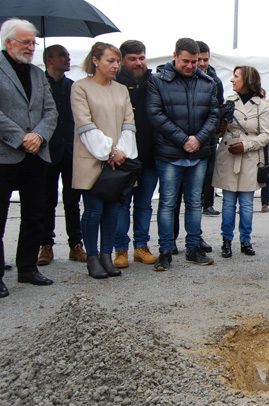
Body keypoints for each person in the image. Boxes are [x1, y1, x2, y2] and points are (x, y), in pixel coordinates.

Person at [147, 37, 219, 271]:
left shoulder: (208, 82)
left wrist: (198, 139)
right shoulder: (157, 81)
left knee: (195, 203)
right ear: (175, 56)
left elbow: (214, 115)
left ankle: (193, 247)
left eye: (195, 62)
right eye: (186, 61)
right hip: (169, 155)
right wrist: (183, 139)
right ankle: (165, 250)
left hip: (198, 154)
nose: (190, 66)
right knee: (167, 204)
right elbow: (156, 114)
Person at [0, 19, 58, 298]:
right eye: (26, 42)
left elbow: (51, 111)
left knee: (35, 213)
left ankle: (27, 267)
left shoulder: (37, 73)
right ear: (9, 42)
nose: (31, 47)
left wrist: (38, 136)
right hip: (5, 154)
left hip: (36, 154)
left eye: (33, 43)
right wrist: (20, 137)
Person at [71, 42, 138, 279]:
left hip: (118, 161)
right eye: (111, 60)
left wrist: (120, 152)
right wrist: (109, 151)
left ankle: (107, 255)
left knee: (113, 210)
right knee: (93, 210)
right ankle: (92, 257)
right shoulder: (80, 88)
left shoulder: (121, 89)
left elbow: (129, 123)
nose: (116, 65)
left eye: (118, 61)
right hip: (92, 159)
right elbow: (84, 123)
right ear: (96, 60)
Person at [212, 66, 269, 258]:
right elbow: (219, 132)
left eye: (236, 76)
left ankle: (246, 241)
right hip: (228, 155)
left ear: (247, 80)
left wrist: (245, 146)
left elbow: (267, 135)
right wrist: (219, 125)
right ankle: (226, 241)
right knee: (228, 202)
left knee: (246, 203)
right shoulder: (229, 102)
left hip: (250, 157)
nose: (232, 80)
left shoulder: (263, 106)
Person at [38, 44, 87, 266]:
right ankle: (45, 245)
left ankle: (75, 244)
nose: (68, 59)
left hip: (70, 151)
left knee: (72, 200)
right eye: (63, 56)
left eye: (68, 55)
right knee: (46, 200)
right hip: (47, 151)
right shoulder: (39, 85)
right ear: (50, 59)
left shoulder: (72, 87)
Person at [112, 40, 159, 268]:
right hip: (123, 157)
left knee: (144, 204)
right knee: (122, 204)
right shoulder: (113, 83)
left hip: (149, 155)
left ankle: (141, 246)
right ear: (122, 60)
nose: (138, 62)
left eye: (141, 57)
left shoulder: (153, 82)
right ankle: (120, 249)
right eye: (133, 58)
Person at [195, 40, 224, 217]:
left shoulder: (216, 81)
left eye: (206, 59)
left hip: (210, 132)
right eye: (200, 59)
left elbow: (218, 107)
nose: (203, 63)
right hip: (189, 131)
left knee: (209, 169)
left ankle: (208, 202)